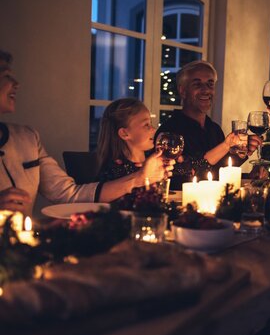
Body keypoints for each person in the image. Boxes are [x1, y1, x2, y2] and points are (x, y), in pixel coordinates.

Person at [0, 50, 172, 215]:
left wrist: (141, 177)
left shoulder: (27, 138)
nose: (16, 83)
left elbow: (69, 195)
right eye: (6, 76)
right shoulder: (113, 166)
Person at [155, 60, 261, 189]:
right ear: (183, 91)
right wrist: (226, 145)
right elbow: (182, 180)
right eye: (197, 84)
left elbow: (217, 174)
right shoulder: (169, 132)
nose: (205, 90)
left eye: (210, 84)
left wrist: (249, 175)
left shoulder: (214, 129)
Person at [96, 97, 163, 182]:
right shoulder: (113, 173)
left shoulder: (154, 158)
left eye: (150, 123)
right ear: (124, 133)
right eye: (146, 125)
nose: (154, 129)